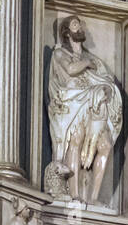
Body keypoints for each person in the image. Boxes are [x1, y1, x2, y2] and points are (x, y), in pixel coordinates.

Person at [45, 16, 123, 204]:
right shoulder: (60, 54)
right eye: (74, 25)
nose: (79, 28)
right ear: (66, 32)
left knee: (105, 146)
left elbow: (107, 81)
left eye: (80, 25)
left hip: (95, 107)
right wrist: (87, 65)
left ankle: (94, 197)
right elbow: (71, 70)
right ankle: (74, 194)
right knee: (76, 137)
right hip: (73, 104)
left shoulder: (93, 59)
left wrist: (105, 88)